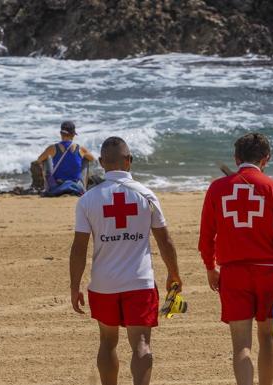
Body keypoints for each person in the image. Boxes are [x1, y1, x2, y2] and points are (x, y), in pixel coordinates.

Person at [69, 136, 182, 385]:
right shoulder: (146, 196)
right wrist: (174, 274)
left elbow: (79, 248)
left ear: (101, 162)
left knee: (107, 342)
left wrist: (74, 285)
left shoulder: (88, 199)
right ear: (129, 161)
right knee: (141, 343)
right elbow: (165, 241)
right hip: (139, 282)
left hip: (103, 283)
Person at [198, 133, 273, 385]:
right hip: (269, 273)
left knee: (241, 345)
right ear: (266, 159)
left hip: (233, 274)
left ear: (236, 158)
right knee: (267, 338)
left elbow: (206, 236)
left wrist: (211, 267)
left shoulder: (217, 188)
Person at [36, 121, 96, 195]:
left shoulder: (52, 148)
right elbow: (93, 159)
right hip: (76, 187)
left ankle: (47, 188)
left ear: (61, 134)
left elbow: (39, 159)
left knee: (45, 159)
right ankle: (83, 188)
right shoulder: (80, 149)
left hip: (57, 186)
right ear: (73, 135)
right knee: (86, 159)